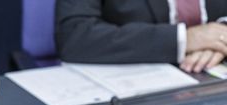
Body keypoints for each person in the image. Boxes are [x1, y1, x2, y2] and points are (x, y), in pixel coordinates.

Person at [56, 0, 227, 74]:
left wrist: (221, 35)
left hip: (212, 80)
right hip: (139, 95)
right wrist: (185, 39)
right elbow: (75, 35)